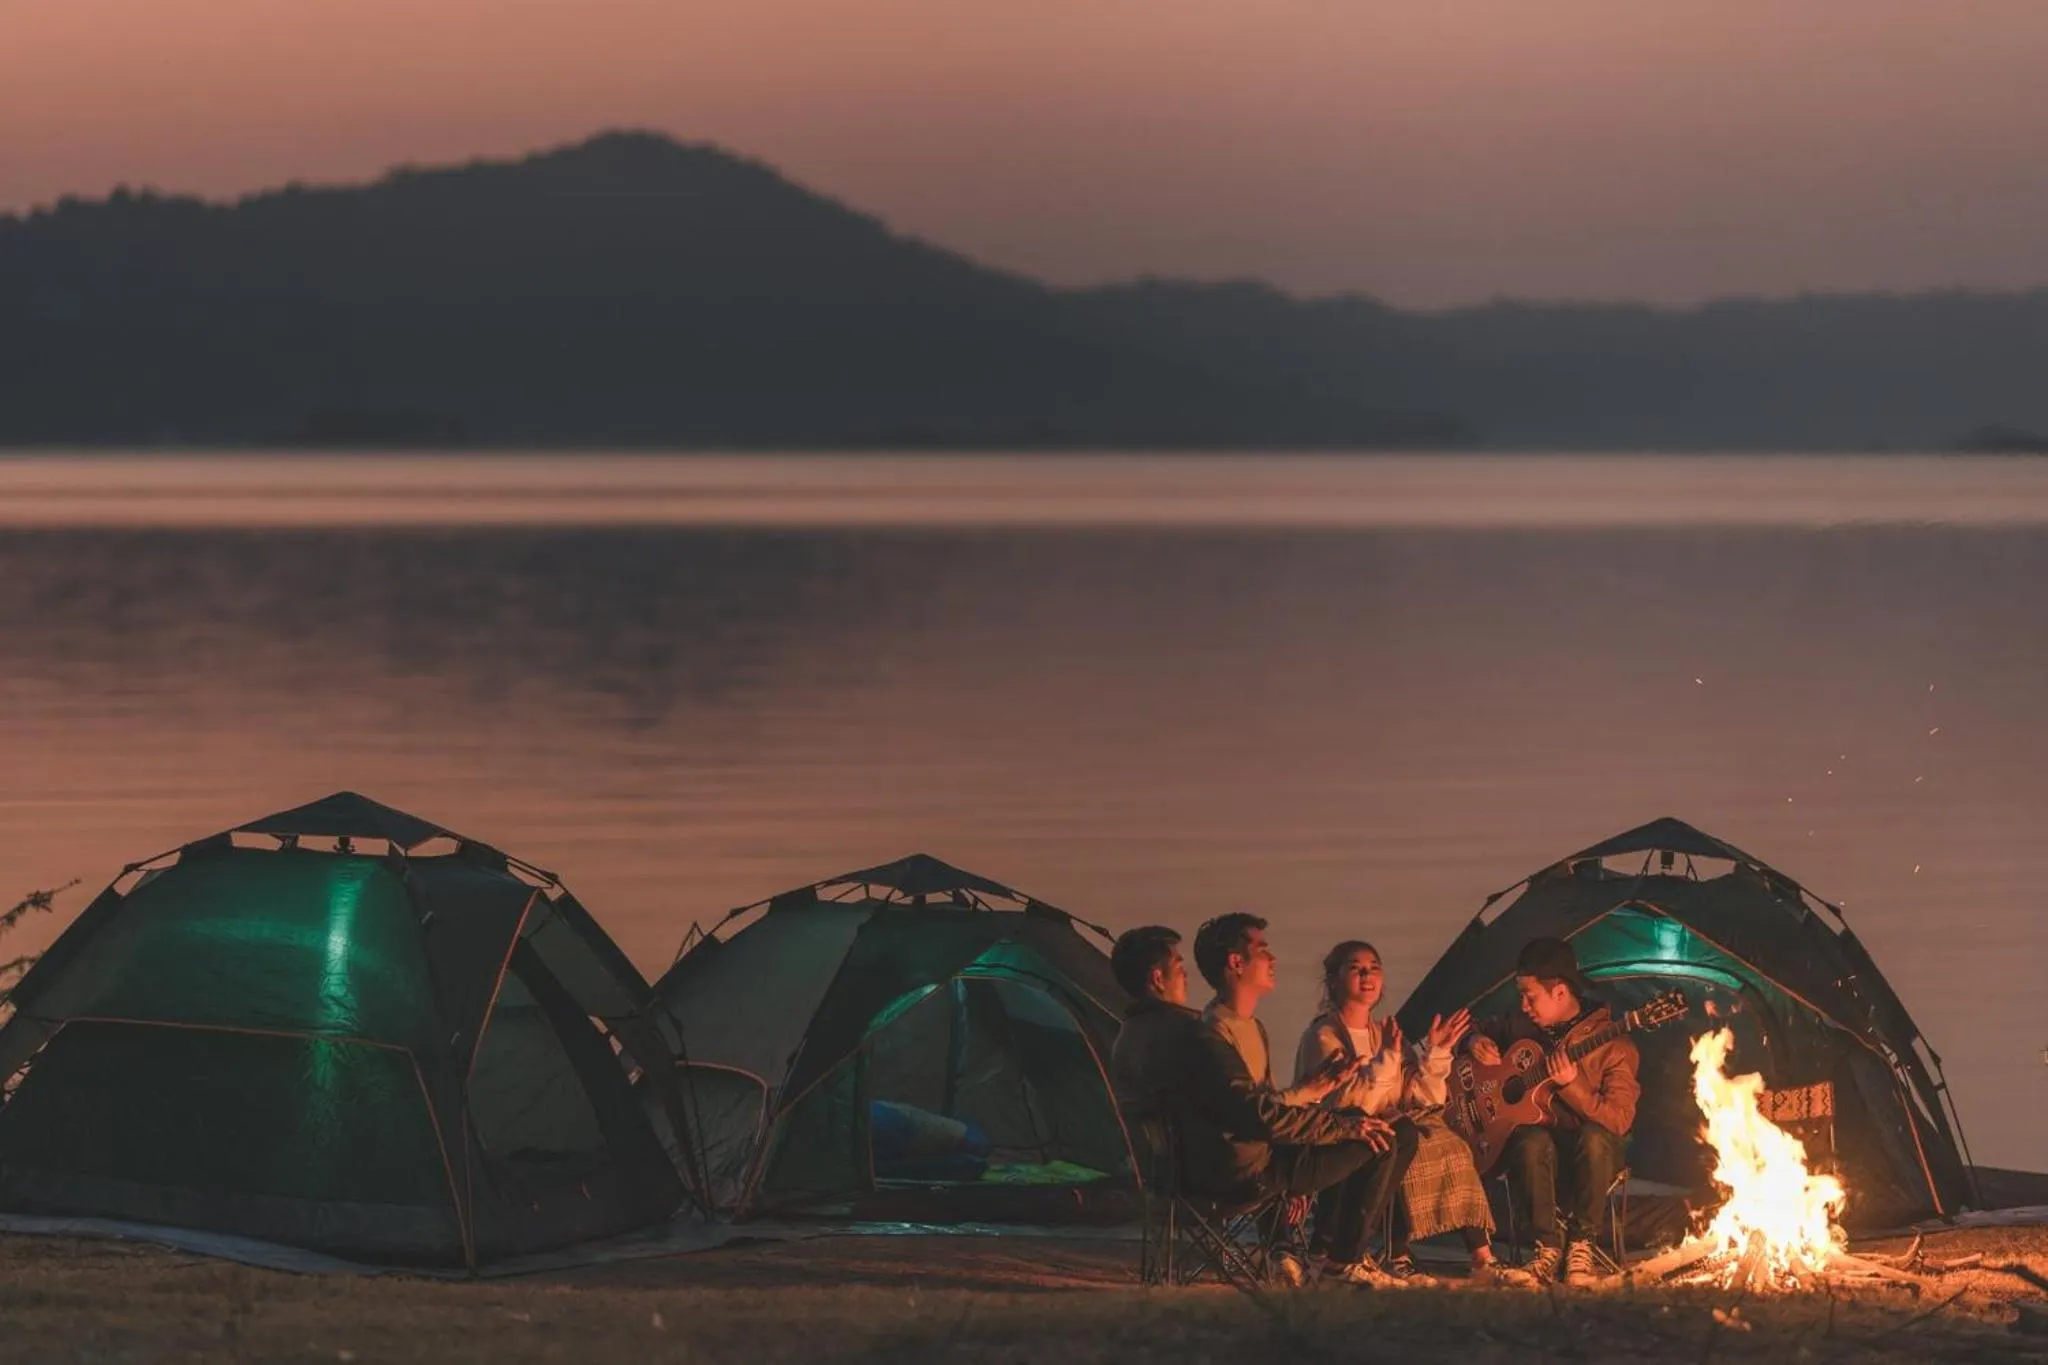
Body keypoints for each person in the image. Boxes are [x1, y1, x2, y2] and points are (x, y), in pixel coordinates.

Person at [1187, 913, 1421, 1286]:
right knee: (1379, 1137)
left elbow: (1260, 1105)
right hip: (1249, 1170)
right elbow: (1256, 1116)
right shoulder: (1217, 1034)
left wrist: (1309, 1092)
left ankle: (1340, 1255)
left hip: (1265, 1152)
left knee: (1395, 1131)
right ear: (1236, 963)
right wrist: (1340, 1125)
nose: (1274, 959)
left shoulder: (1248, 1025)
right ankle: (1339, 1260)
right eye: (1262, 950)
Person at [1295, 940, 1531, 1286]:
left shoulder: (1383, 1032)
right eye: (1356, 968)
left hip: (1389, 1127)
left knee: (1450, 1145)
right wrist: (1389, 1058)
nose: (1367, 975)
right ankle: (1367, 1254)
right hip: (1341, 1134)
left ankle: (1482, 1258)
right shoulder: (1324, 1034)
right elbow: (1350, 1100)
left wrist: (1438, 1053)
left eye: (1374, 967)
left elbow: (1416, 1096)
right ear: (1333, 980)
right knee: (1404, 1138)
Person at [1468, 937, 1641, 1286]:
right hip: (1540, 1150)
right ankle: (1545, 1247)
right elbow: (1475, 1028)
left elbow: (1619, 1120)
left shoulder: (1614, 1045)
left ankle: (1581, 1243)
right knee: (1531, 1139)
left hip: (1592, 1153)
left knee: (1594, 1137)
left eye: (1530, 996)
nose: (1524, 1005)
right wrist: (1473, 1042)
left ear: (1560, 992)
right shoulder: (1520, 1025)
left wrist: (1572, 1084)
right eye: (1521, 996)